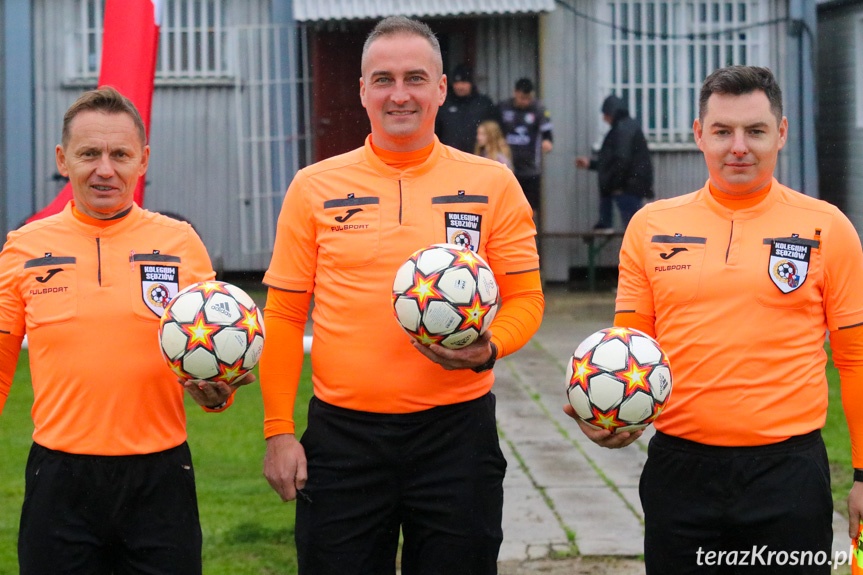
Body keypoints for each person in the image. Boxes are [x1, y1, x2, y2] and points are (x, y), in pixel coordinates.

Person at [260, 15, 544, 575]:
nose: (399, 94)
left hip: (456, 435)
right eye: (383, 79)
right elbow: (286, 315)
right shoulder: (314, 187)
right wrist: (278, 432)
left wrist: (490, 349)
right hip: (344, 438)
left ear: (441, 88)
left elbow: (527, 300)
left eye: (416, 77)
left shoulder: (492, 184)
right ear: (362, 90)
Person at [567, 65, 863, 574]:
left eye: (755, 130)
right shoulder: (651, 227)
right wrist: (602, 408)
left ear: (782, 133)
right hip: (681, 471)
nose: (738, 147)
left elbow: (856, 359)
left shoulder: (827, 228)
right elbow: (630, 347)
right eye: (723, 131)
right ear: (699, 134)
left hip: (788, 474)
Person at [0, 87, 251, 574]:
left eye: (120, 154)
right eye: (89, 153)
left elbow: (216, 358)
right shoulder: (24, 247)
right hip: (59, 477)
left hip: (159, 475)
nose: (105, 169)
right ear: (63, 158)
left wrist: (217, 394)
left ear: (143, 160)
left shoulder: (178, 242)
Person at [575, 94, 653, 232]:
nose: (604, 119)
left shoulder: (622, 130)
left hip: (628, 187)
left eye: (605, 114)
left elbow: (620, 160)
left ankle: (606, 224)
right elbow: (613, 161)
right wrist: (591, 164)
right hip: (631, 185)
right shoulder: (626, 127)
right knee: (636, 228)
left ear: (611, 112)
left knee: (635, 230)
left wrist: (615, 185)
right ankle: (605, 224)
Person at [498, 77, 553, 214]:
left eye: (528, 98)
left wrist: (547, 141)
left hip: (530, 169)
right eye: (522, 98)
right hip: (508, 168)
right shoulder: (503, 108)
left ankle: (528, 234)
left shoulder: (539, 109)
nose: (525, 102)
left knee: (529, 208)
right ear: (515, 93)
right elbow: (493, 130)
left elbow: (547, 133)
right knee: (506, 207)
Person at [435, 63, 498, 153]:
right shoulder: (443, 103)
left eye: (464, 82)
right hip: (449, 157)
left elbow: (494, 132)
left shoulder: (484, 104)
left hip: (477, 157)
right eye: (457, 82)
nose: (460, 86)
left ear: (471, 83)